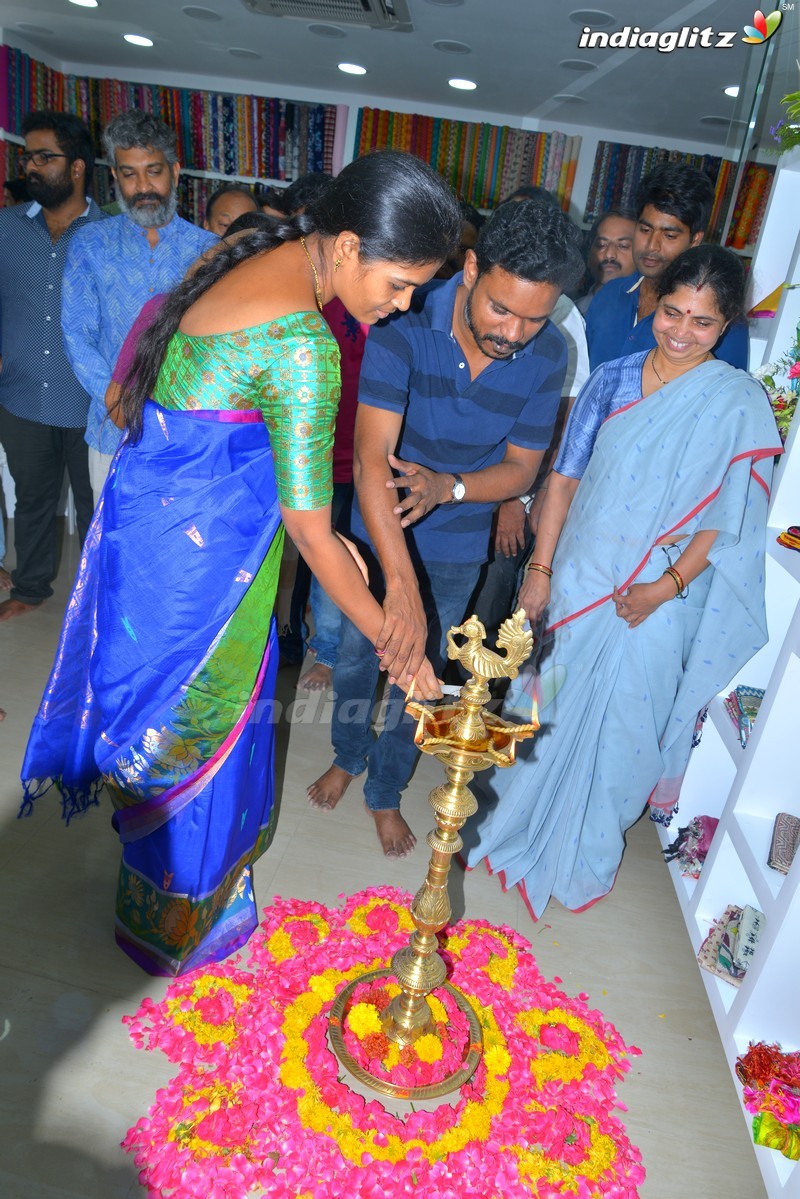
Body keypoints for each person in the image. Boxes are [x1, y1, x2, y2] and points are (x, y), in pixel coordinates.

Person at [19, 149, 461, 977]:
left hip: (153, 539)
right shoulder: (305, 346)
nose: (401, 307)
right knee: (198, 726)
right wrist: (398, 649)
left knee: (154, 721)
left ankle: (152, 892)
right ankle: (177, 924)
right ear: (347, 247)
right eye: (399, 284)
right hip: (200, 571)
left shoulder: (261, 255)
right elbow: (308, 526)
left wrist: (372, 572)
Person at [464, 245, 781, 920]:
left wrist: (662, 589)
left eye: (702, 322)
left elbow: (725, 523)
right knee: (538, 708)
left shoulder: (736, 403)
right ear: (654, 300)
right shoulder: (609, 380)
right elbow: (565, 479)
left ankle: (586, 855)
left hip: (663, 599)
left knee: (628, 729)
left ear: (724, 327)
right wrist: (541, 571)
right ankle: (507, 822)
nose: (681, 331)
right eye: (672, 311)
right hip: (580, 575)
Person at [308, 197, 584, 858]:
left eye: (534, 318)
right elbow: (372, 456)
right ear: (469, 268)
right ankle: (348, 753)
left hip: (461, 541)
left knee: (424, 673)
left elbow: (520, 470)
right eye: (501, 308)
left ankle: (384, 788)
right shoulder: (404, 322)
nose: (515, 332)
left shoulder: (550, 354)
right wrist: (399, 558)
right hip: (381, 526)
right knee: (357, 653)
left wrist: (449, 487)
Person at [61, 110, 216, 502]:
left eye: (154, 171)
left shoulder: (208, 251)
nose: (143, 185)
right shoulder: (90, 243)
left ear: (175, 171)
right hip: (109, 427)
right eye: (129, 174)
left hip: (181, 435)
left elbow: (213, 346)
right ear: (114, 176)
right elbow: (77, 334)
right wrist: (116, 399)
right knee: (107, 547)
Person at [0, 111, 103, 622]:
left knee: (94, 509)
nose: (32, 166)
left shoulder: (112, 236)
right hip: (21, 396)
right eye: (27, 157)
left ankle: (92, 604)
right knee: (34, 500)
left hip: (91, 403)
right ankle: (30, 586)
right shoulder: (5, 230)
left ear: (78, 166)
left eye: (45, 157)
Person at [585, 164, 749, 371]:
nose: (652, 245)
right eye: (645, 229)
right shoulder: (608, 296)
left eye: (669, 235)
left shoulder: (720, 325)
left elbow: (724, 397)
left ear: (694, 240)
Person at [576, 208, 636, 315]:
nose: (609, 254)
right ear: (589, 255)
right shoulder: (567, 316)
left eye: (623, 246)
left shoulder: (653, 320)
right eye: (601, 245)